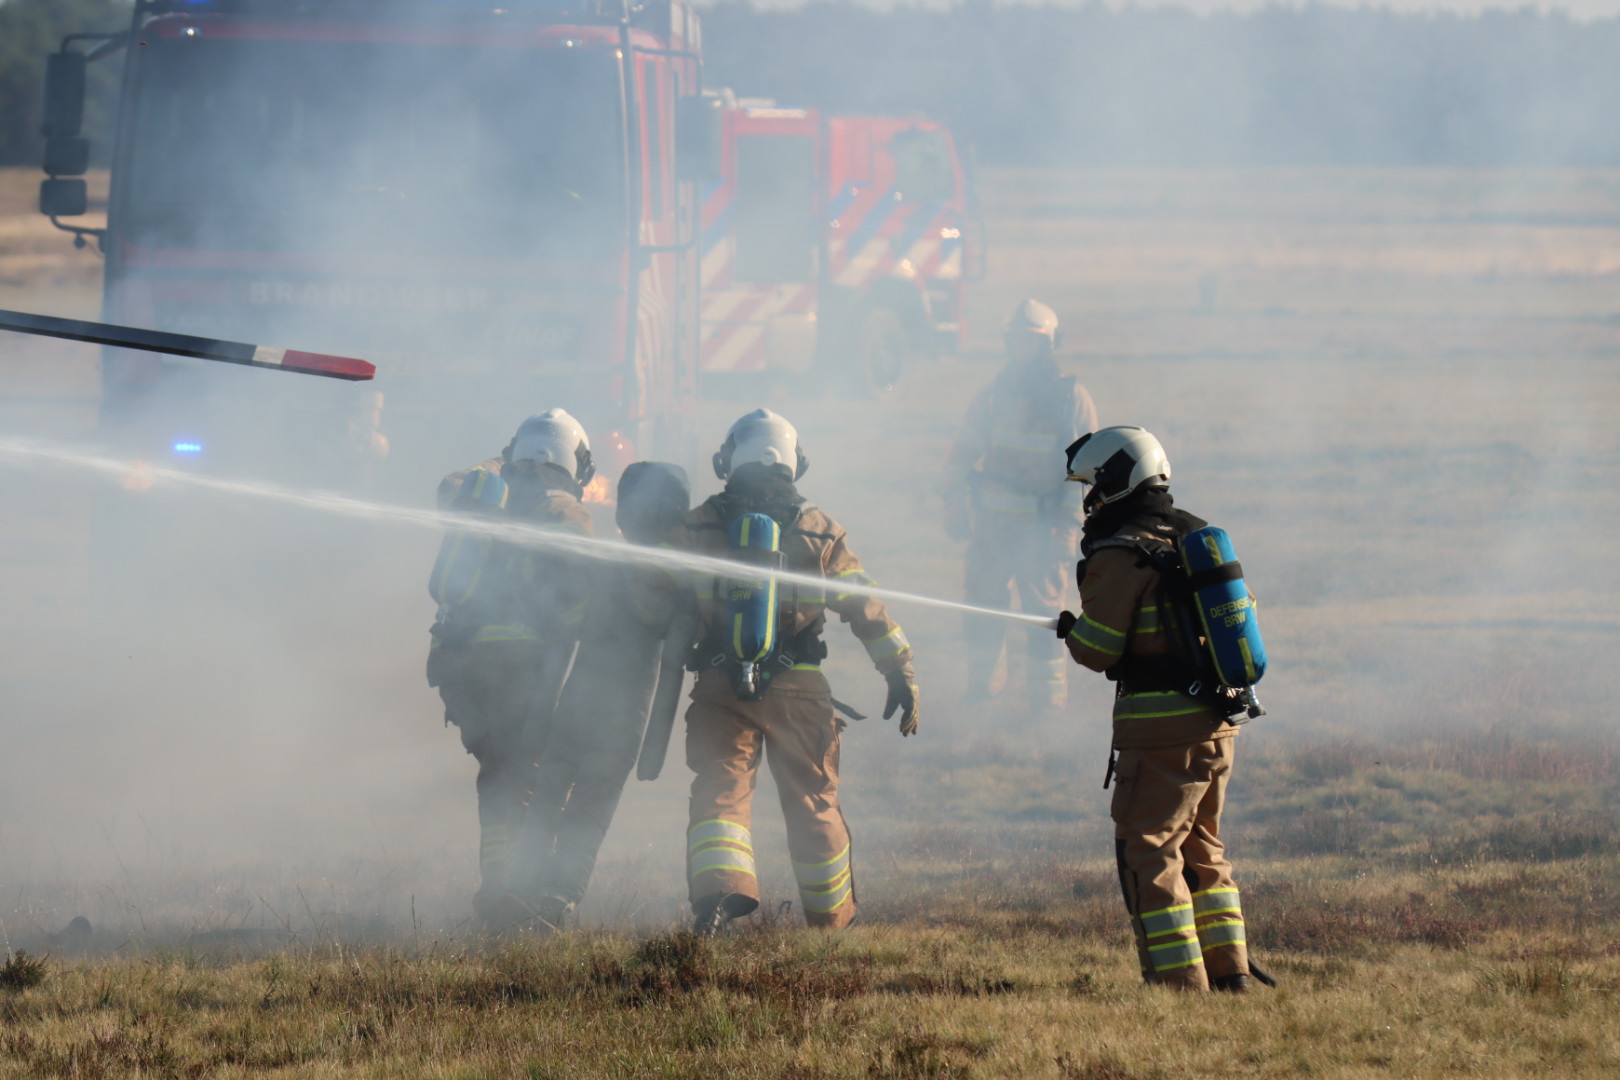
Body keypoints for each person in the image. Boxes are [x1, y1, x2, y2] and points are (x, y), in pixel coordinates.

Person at [676, 408, 920, 934]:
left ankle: (717, 901)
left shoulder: (697, 525)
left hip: (721, 685)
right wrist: (899, 672)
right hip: (801, 686)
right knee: (813, 801)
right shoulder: (819, 529)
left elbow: (660, 602)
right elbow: (865, 606)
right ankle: (832, 924)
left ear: (728, 459)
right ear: (795, 463)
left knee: (721, 788)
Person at [1055, 426, 1263, 992]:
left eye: (1093, 485)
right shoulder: (1195, 538)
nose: (1090, 499)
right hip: (1219, 724)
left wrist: (1072, 632)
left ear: (1117, 481)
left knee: (1149, 847)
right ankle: (1231, 974)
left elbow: (1099, 649)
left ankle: (1177, 986)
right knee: (1204, 847)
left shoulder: (1120, 552)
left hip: (1160, 731)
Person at [497, 462, 698, 931]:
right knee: (591, 808)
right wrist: (654, 751)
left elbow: (564, 635)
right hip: (624, 717)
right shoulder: (679, 582)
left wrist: (542, 714)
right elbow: (672, 669)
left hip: (573, 706)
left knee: (547, 796)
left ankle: (520, 887)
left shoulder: (604, 565)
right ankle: (556, 898)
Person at [425, 409, 595, 925]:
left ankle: (499, 888)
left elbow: (448, 485)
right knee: (528, 778)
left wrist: (507, 458)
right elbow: (579, 591)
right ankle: (515, 894)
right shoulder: (565, 510)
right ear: (574, 461)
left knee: (498, 776)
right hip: (529, 667)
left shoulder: (480, 494)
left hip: (465, 667)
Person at [945, 299, 1098, 713]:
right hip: (993, 530)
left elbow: (1089, 471)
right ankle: (982, 697)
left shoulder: (1072, 399)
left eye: (1030, 342)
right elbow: (962, 453)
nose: (1021, 350)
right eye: (1015, 341)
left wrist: (1073, 526)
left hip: (1048, 531)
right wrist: (953, 502)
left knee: (1044, 621)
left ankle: (1046, 710)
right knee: (982, 611)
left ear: (1049, 344)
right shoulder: (994, 396)